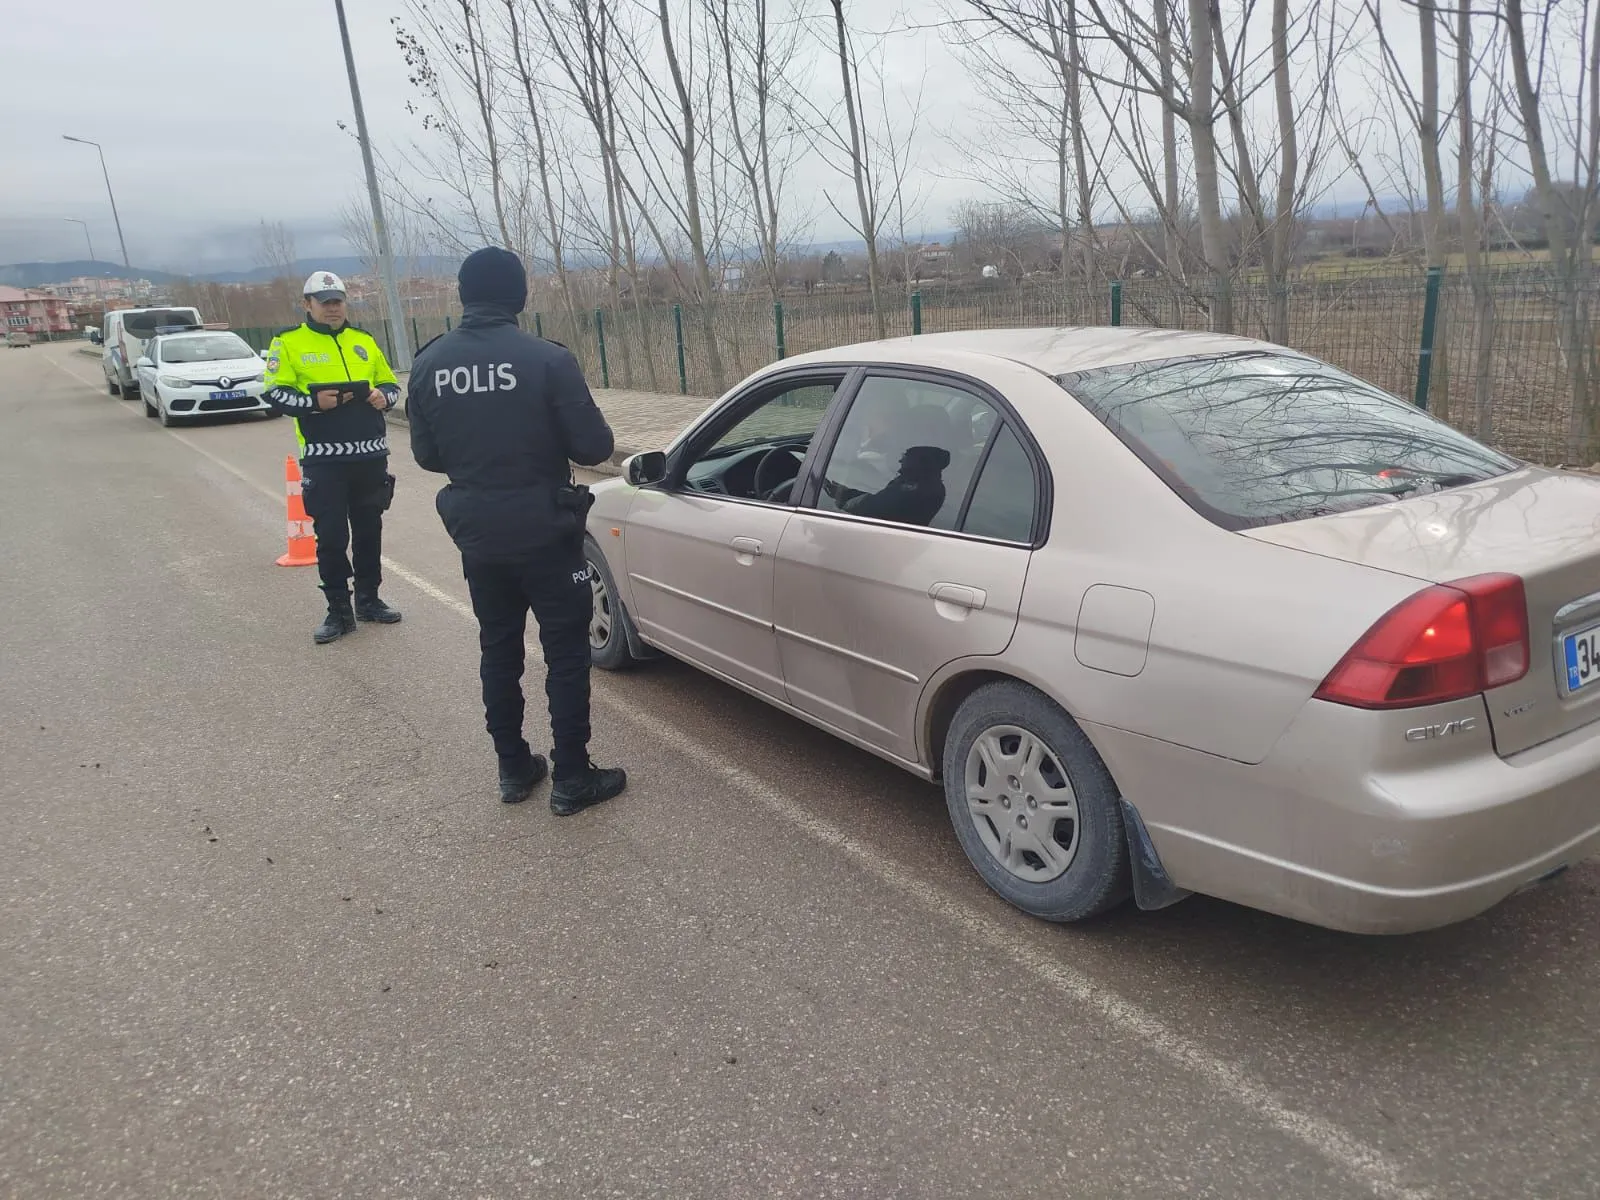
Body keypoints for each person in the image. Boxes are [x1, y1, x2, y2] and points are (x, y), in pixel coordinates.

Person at [406, 247, 627, 813]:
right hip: (547, 533)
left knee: (498, 647)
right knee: (566, 655)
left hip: (478, 536)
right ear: (520, 296)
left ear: (463, 294)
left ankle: (512, 767)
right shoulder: (547, 360)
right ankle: (572, 778)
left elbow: (428, 456)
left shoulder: (430, 363)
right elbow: (595, 447)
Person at [262, 271, 404, 644]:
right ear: (307, 305)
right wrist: (313, 404)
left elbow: (391, 385)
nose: (332, 308)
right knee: (331, 537)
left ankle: (369, 600)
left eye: (337, 300)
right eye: (324, 302)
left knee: (370, 532)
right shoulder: (288, 343)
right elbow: (274, 393)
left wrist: (382, 397)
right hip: (324, 462)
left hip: (371, 458)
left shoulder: (363, 341)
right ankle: (338, 611)